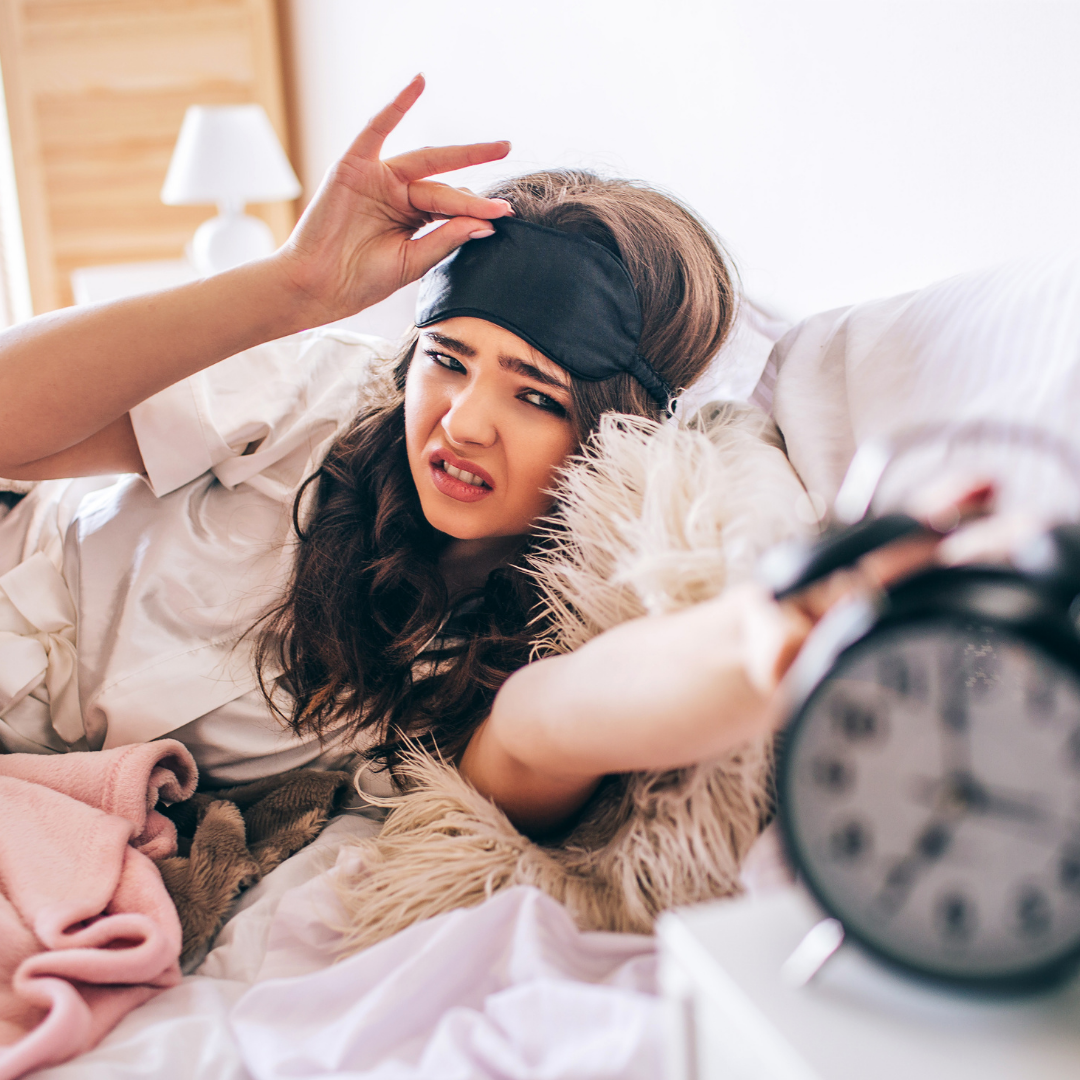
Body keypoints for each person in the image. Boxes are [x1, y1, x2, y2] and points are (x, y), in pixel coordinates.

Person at [0, 76, 941, 844]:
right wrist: (288, 289)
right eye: (447, 362)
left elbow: (535, 743)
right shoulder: (314, 399)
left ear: (616, 428)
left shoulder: (545, 626)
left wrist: (765, 639)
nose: (463, 423)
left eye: (535, 395)